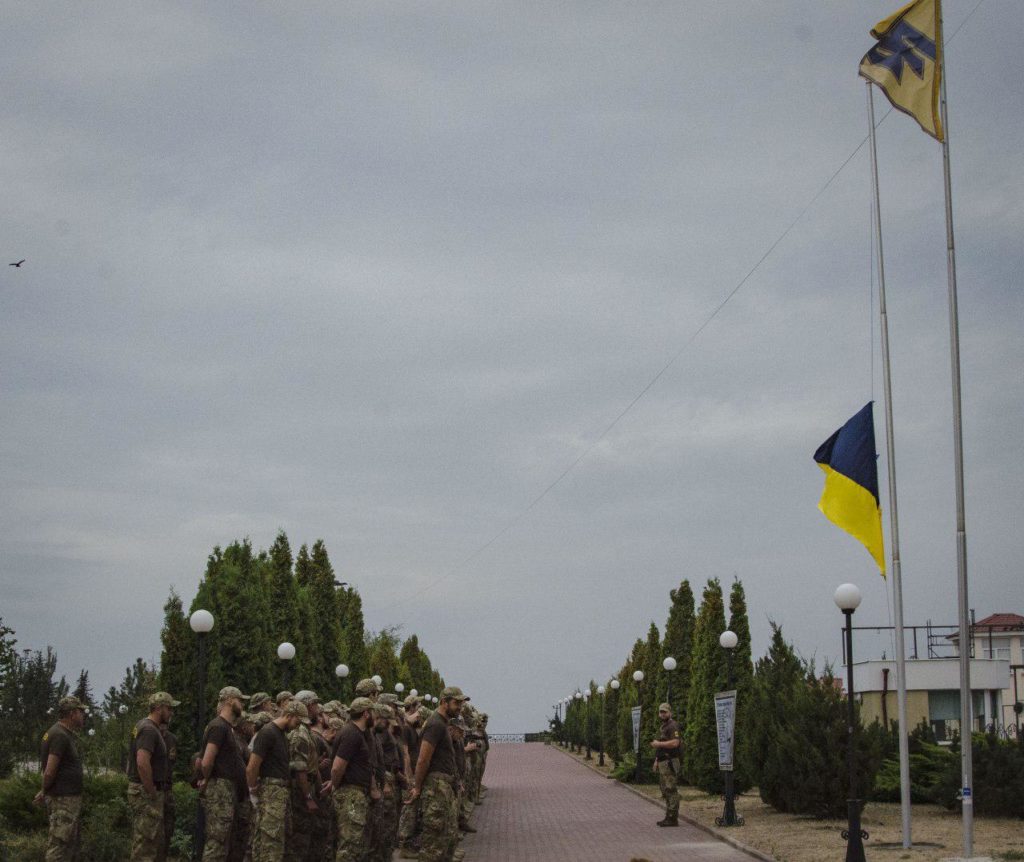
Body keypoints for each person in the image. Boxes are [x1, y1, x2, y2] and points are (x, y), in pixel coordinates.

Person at [405, 686, 468, 862]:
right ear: (443, 702)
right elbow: (423, 759)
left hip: (444, 787)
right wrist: (417, 787)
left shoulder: (442, 724)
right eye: (456, 703)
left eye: (461, 703)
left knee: (446, 840)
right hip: (435, 789)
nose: (459, 707)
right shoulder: (435, 724)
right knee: (434, 843)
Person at [247, 700, 309, 862]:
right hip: (271, 793)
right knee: (270, 843)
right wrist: (253, 789)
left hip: (279, 793)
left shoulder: (281, 735)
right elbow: (252, 766)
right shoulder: (268, 733)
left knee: (276, 842)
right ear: (289, 715)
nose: (298, 726)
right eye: (298, 721)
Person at [198, 686, 249, 861]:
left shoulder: (227, 728)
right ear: (229, 700)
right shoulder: (218, 726)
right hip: (220, 790)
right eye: (239, 700)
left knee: (225, 841)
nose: (242, 704)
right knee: (217, 842)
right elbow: (207, 760)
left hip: (228, 791)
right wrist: (206, 778)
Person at [128, 692, 180, 861]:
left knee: (154, 844)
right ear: (159, 708)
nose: (171, 712)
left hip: (149, 791)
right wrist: (151, 792)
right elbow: (142, 762)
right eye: (169, 708)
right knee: (145, 847)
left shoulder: (148, 727)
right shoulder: (149, 729)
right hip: (147, 792)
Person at [324, 696, 376, 862]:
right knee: (349, 847)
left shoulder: (355, 733)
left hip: (353, 794)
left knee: (352, 844)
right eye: (373, 712)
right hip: (350, 795)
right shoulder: (352, 734)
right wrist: (336, 786)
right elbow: (337, 767)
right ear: (366, 713)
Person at [35, 695, 86, 861]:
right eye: (80, 711)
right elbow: (50, 770)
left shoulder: (60, 733)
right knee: (59, 845)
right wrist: (44, 790)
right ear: (72, 713)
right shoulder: (59, 735)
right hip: (63, 800)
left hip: (66, 798)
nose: (83, 715)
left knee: (69, 846)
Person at [286, 691, 323, 862]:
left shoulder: (306, 731)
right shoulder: (300, 733)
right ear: (308, 706)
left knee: (309, 836)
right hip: (301, 791)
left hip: (309, 786)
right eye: (315, 705)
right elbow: (300, 770)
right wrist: (308, 797)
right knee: (300, 838)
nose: (318, 709)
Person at [650, 702, 681, 827]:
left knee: (670, 789)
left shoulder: (673, 726)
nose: (662, 714)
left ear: (670, 712)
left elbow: (675, 743)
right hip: (663, 761)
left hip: (670, 761)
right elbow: (661, 744)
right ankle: (668, 816)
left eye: (665, 712)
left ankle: (672, 817)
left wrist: (659, 744)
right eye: (661, 712)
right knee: (665, 789)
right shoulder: (664, 726)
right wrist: (656, 760)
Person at [158, 720, 179, 862]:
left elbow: (172, 762)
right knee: (153, 831)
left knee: (168, 828)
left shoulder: (172, 739)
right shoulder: (150, 734)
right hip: (154, 789)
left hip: (168, 789)